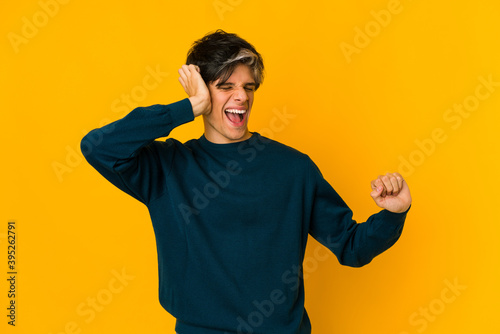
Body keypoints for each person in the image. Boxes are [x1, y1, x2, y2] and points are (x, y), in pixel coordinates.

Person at [81, 29, 411, 334]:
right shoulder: (167, 168)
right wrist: (188, 108)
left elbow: (351, 246)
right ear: (204, 91)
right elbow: (98, 147)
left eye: (248, 87)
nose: (241, 96)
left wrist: (394, 214)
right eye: (226, 86)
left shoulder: (293, 168)